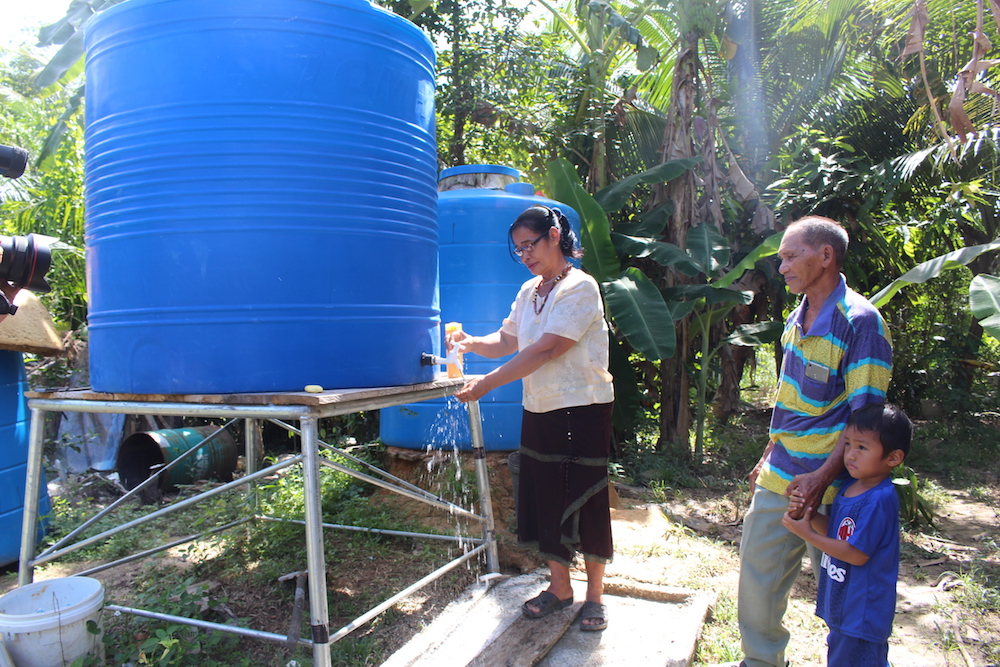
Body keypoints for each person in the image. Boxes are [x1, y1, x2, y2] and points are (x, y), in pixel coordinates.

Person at [731, 216, 893, 667]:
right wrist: (767, 453)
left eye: (789, 256)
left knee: (844, 593)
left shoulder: (860, 323)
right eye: (780, 258)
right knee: (757, 580)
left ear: (825, 256)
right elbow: (787, 397)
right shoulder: (795, 318)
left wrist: (823, 478)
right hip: (781, 475)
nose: (781, 267)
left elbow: (866, 421)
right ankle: (761, 661)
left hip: (836, 488)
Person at [449, 205, 615, 631]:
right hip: (539, 406)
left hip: (583, 407)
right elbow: (508, 339)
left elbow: (546, 348)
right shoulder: (529, 291)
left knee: (587, 495)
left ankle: (595, 596)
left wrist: (486, 384)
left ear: (555, 236)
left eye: (531, 244)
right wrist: (471, 342)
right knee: (545, 495)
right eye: (518, 248)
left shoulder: (580, 287)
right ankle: (560, 587)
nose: (525, 254)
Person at [782, 402, 911, 666]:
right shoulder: (853, 488)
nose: (850, 455)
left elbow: (856, 553)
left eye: (862, 447)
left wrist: (806, 534)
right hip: (845, 606)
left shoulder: (879, 499)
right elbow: (840, 534)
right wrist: (810, 515)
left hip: (862, 614)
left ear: (893, 458)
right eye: (848, 444)